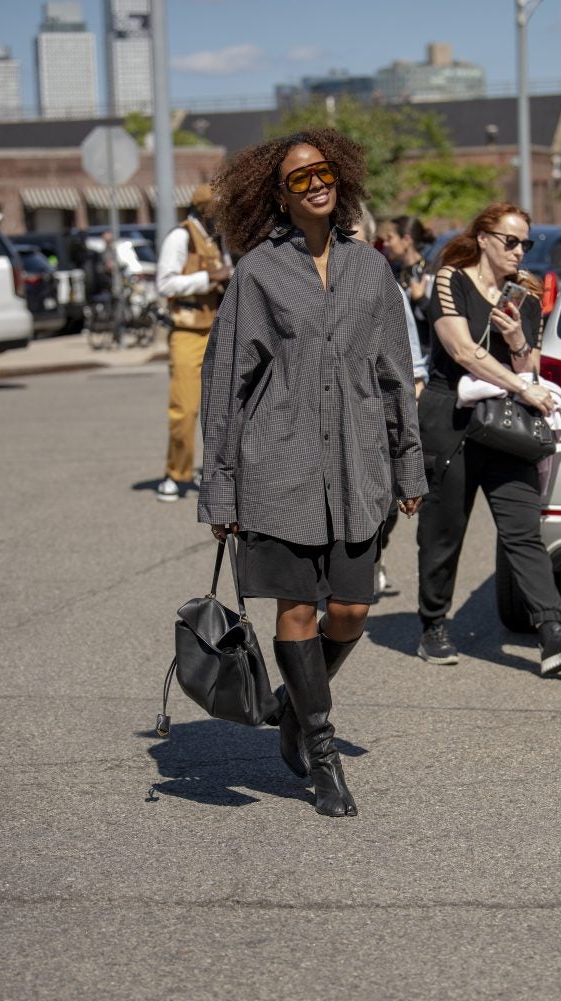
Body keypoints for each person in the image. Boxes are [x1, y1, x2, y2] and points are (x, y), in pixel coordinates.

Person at [198, 130, 427, 818]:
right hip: (279, 468)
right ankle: (320, 753)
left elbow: (394, 372)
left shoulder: (371, 270)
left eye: (322, 172)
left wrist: (407, 465)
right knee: (296, 609)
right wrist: (221, 485)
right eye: (298, 179)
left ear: (342, 177)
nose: (314, 185)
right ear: (279, 194)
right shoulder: (259, 273)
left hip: (359, 468)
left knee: (352, 610)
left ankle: (295, 704)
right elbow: (225, 383)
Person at [415, 201, 561, 676]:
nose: (521, 251)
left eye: (526, 243)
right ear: (483, 239)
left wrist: (517, 339)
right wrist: (523, 386)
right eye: (511, 241)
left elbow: (529, 365)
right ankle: (433, 625)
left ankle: (552, 631)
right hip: (450, 417)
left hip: (504, 425)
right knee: (443, 532)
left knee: (522, 530)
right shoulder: (450, 279)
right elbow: (460, 350)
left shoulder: (528, 298)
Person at [353, 205, 429, 599]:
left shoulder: (387, 288)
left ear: (370, 240)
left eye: (354, 233)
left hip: (377, 419)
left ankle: (373, 555)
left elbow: (411, 363)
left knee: (383, 504)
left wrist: (408, 421)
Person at [154, 185, 232, 502]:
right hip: (187, 331)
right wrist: (210, 278)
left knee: (221, 410)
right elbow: (164, 283)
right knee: (185, 409)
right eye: (217, 212)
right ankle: (176, 473)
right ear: (203, 210)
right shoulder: (180, 237)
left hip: (217, 327)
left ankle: (213, 472)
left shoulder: (218, 239)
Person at [380, 215, 436, 354]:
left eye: (390, 238)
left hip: (425, 358)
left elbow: (442, 321)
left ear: (406, 240)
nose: (385, 244)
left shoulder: (431, 273)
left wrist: (422, 300)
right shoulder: (392, 273)